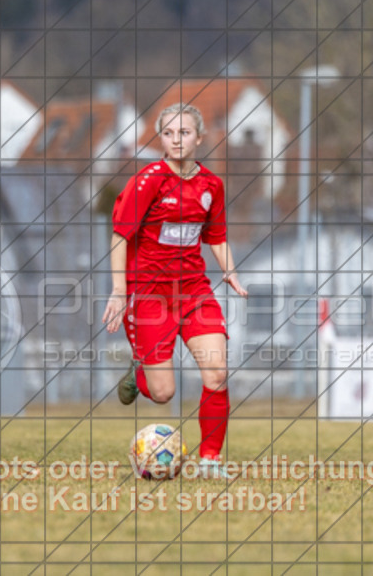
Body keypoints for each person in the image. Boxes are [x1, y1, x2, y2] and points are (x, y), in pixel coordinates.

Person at [102, 103, 248, 478]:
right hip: (149, 295)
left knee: (217, 372)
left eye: (184, 133)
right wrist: (120, 291)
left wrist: (229, 271)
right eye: (168, 133)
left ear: (199, 138)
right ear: (161, 138)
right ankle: (139, 375)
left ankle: (210, 462)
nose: (176, 140)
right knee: (163, 392)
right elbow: (120, 235)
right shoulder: (149, 179)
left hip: (194, 291)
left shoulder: (211, 186)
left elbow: (215, 236)